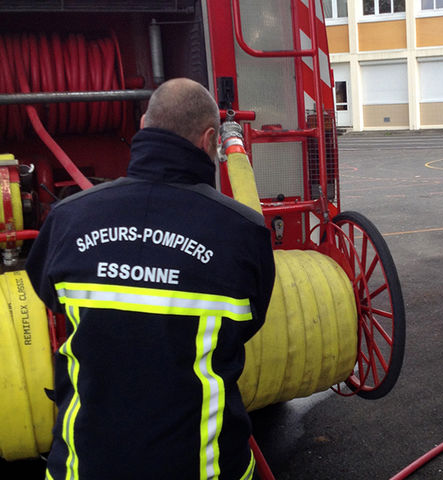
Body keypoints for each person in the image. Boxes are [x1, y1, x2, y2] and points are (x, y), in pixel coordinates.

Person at [25, 78, 276, 479]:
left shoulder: (67, 218)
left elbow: (48, 294)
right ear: (209, 139)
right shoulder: (242, 231)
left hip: (83, 467)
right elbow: (249, 320)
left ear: (143, 125)